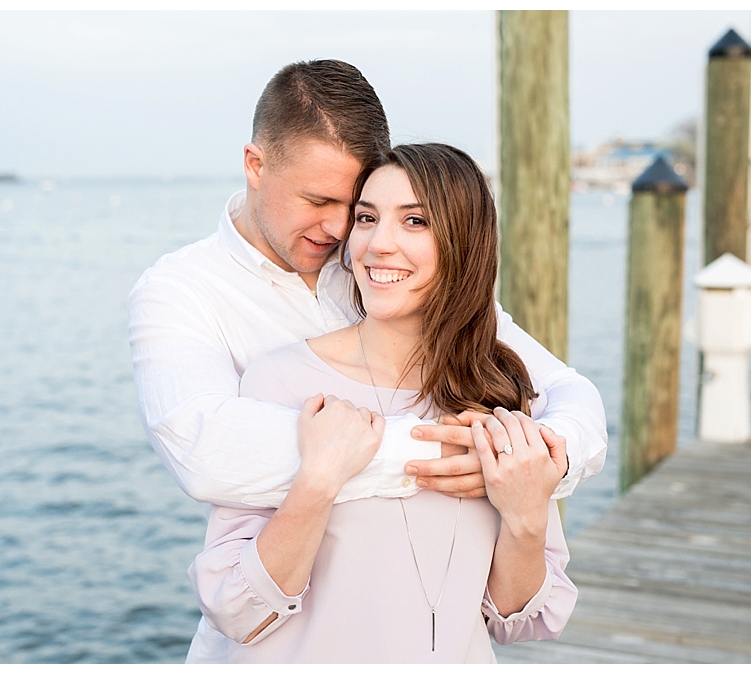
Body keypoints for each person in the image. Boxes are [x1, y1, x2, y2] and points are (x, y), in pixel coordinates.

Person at [127, 59, 606, 659]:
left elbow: (569, 395)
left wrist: (531, 463)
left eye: (353, 207)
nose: (340, 232)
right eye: (322, 202)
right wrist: (440, 451)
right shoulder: (184, 294)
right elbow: (203, 448)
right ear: (255, 165)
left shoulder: (459, 347)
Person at [187, 143, 577, 662]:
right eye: (366, 219)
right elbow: (235, 610)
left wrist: (525, 516)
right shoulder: (282, 379)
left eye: (414, 221)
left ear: (465, 242)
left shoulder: (500, 389)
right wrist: (318, 481)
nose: (377, 244)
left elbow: (521, 621)